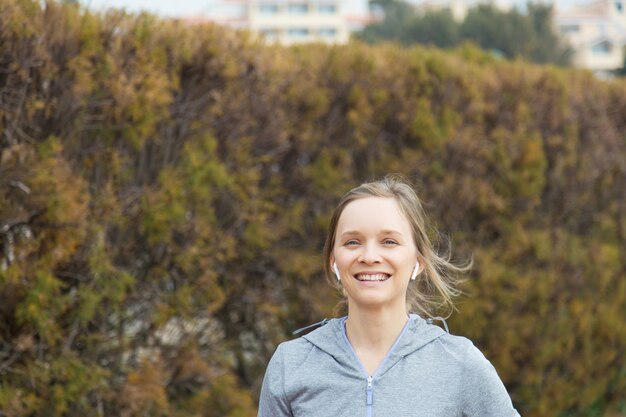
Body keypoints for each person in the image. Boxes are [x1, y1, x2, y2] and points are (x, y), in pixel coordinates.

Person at [257, 175, 521, 417]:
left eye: (389, 242)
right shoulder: (290, 365)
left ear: (418, 262)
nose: (369, 257)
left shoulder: (461, 363)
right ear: (332, 261)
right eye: (352, 242)